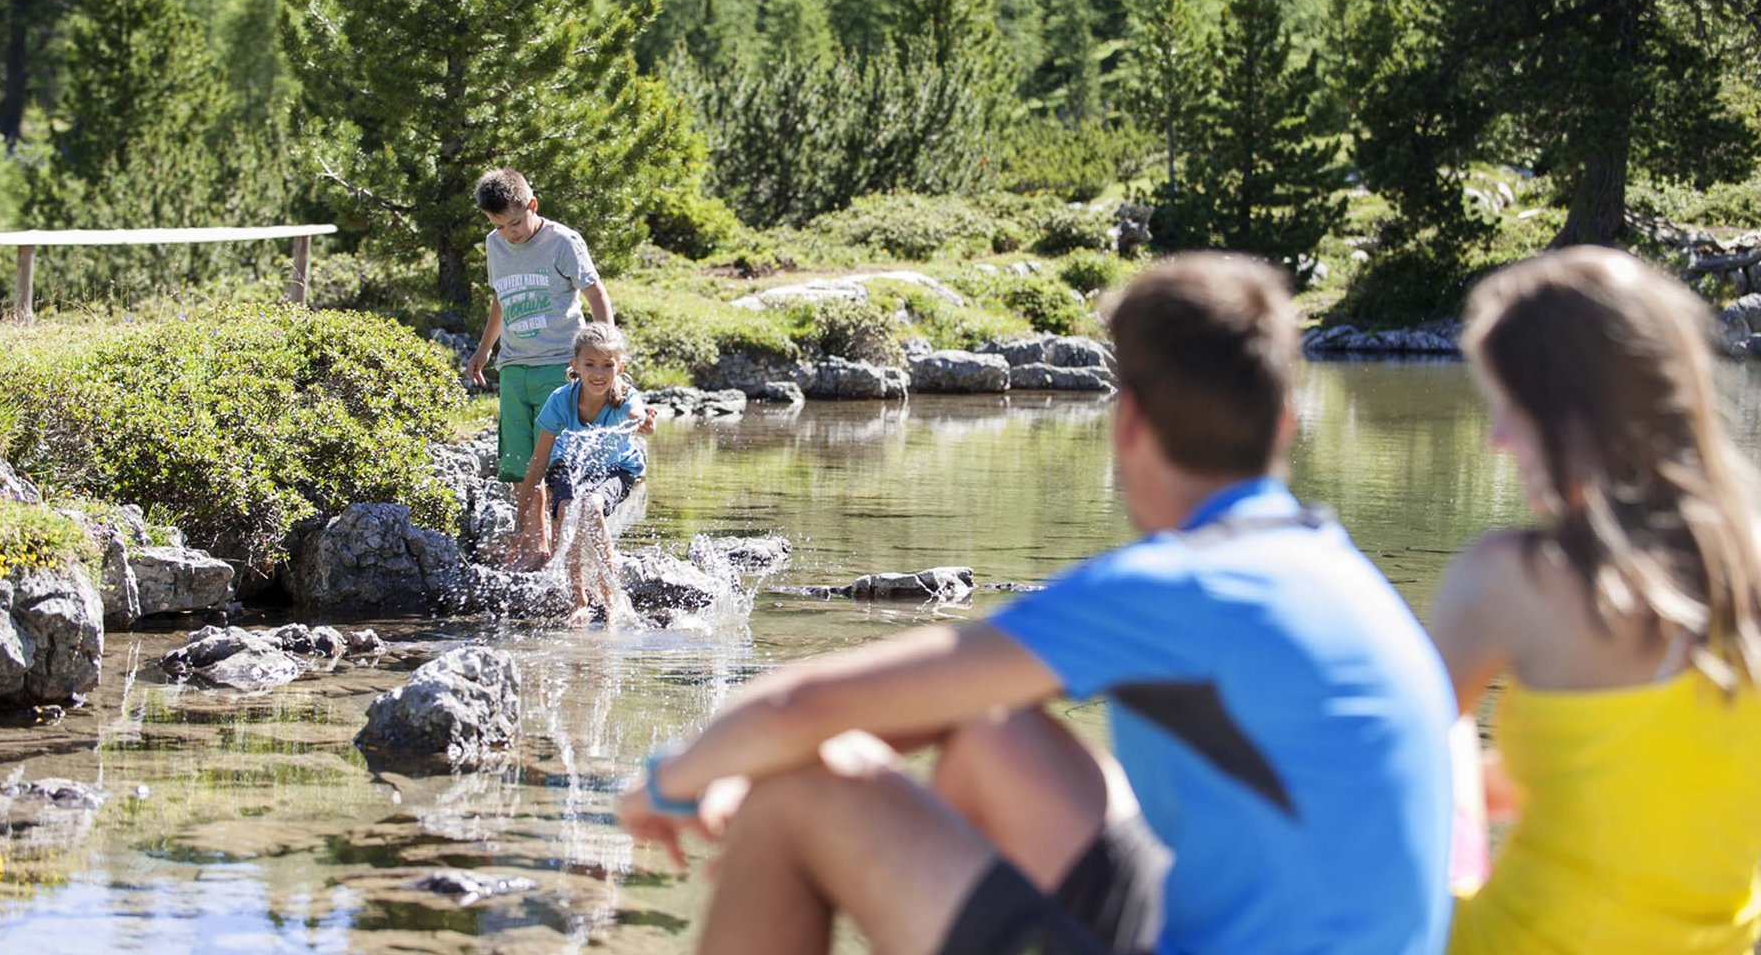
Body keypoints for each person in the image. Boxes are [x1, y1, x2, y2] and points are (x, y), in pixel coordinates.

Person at [617, 253, 1456, 955]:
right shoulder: (1335, 568)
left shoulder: (1172, 585)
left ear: (1126, 426)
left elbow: (803, 701)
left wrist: (677, 779)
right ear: (1285, 424)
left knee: (799, 799)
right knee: (994, 726)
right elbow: (930, 704)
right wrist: (755, 754)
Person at [1431, 247, 1761, 955]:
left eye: (1511, 409)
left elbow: (1384, 766)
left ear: (1574, 416)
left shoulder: (1509, 579)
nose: (1496, 440)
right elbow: (1653, 780)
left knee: (1440, 732)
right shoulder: (1749, 569)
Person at [463, 168, 614, 569]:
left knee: (557, 463)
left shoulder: (562, 242)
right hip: (513, 367)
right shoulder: (494, 245)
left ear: (532, 205)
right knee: (518, 463)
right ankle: (536, 549)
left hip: (558, 365)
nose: (509, 232)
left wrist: (607, 353)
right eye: (499, 225)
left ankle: (569, 554)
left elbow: (595, 293)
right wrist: (484, 350)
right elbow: (500, 299)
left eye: (515, 222)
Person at [525, 322, 655, 627]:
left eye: (608, 365)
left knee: (593, 507)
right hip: (567, 464)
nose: (599, 373)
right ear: (575, 366)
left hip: (618, 468)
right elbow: (539, 459)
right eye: (590, 365)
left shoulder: (626, 397)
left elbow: (639, 416)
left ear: (619, 367)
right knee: (569, 510)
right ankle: (578, 601)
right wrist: (522, 517)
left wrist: (646, 424)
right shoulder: (560, 400)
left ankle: (612, 600)